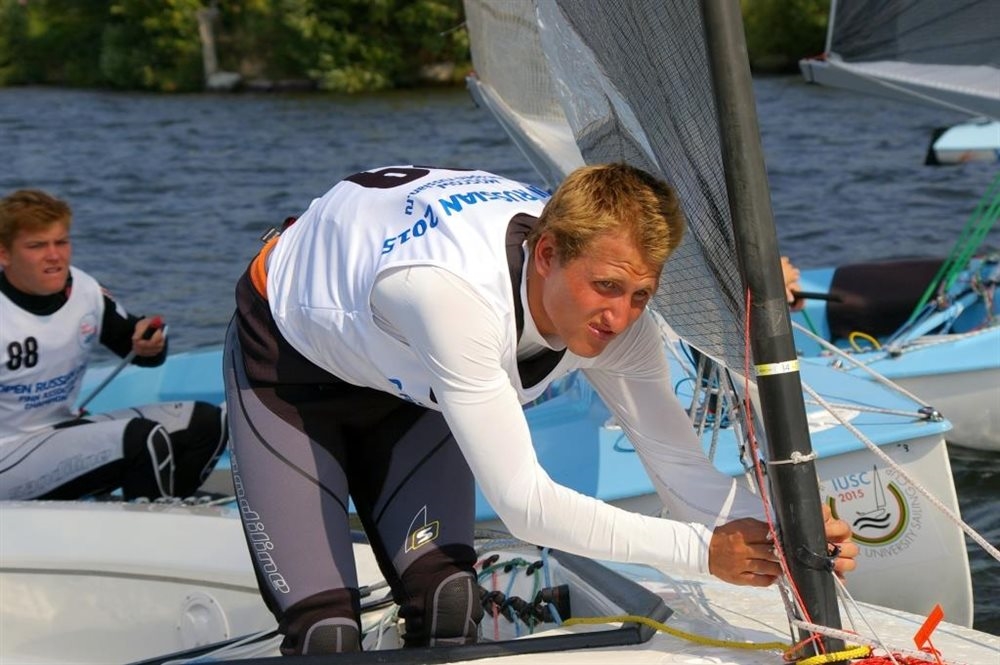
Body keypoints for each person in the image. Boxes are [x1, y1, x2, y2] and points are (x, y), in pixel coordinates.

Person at [224, 164, 858, 655]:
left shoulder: (622, 325)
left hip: (416, 376)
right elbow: (524, 506)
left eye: (641, 294)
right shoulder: (454, 298)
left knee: (449, 603)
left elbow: (683, 474)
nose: (620, 317)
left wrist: (791, 534)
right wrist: (703, 552)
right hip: (290, 368)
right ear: (548, 253)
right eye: (606, 287)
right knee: (326, 636)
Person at [0, 189, 227, 501]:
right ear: (4, 254)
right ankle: (154, 520)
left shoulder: (85, 290)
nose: (54, 256)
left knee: (205, 422)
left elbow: (143, 354)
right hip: (7, 455)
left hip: (56, 432)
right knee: (139, 439)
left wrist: (149, 342)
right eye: (37, 246)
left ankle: (173, 505)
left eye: (61, 242)